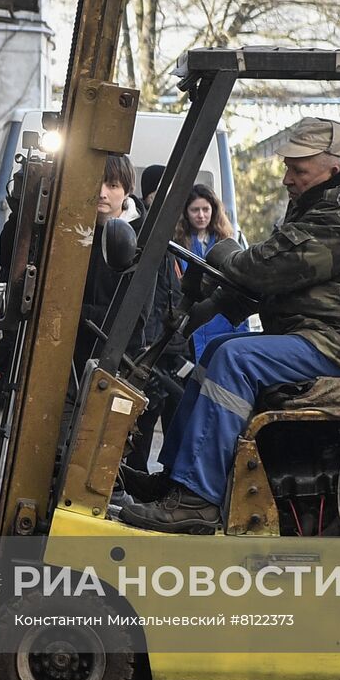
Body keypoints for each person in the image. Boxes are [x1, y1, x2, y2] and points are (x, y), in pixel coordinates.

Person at [121, 118, 340, 533]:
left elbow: (264, 269)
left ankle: (198, 500)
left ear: (331, 167)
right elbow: (276, 277)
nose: (286, 179)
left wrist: (223, 251)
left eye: (298, 170)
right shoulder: (322, 196)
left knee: (237, 359)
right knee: (217, 349)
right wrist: (206, 307)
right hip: (324, 331)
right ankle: (175, 482)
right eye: (287, 168)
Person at [0, 153, 144, 385]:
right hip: (50, 358)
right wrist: (22, 209)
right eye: (96, 182)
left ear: (127, 190)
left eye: (113, 185)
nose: (101, 192)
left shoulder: (142, 240)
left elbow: (143, 316)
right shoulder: (61, 227)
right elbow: (16, 275)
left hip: (110, 365)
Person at [124, 165, 186, 476]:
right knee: (142, 416)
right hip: (150, 346)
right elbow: (149, 297)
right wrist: (145, 343)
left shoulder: (171, 237)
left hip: (170, 345)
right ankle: (135, 475)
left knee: (172, 414)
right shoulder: (144, 235)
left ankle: (163, 475)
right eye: (157, 193)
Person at [173, 183, 249, 359]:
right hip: (193, 329)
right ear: (186, 212)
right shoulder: (178, 245)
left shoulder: (230, 243)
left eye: (205, 209)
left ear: (213, 211)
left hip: (224, 324)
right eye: (195, 210)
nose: (201, 215)